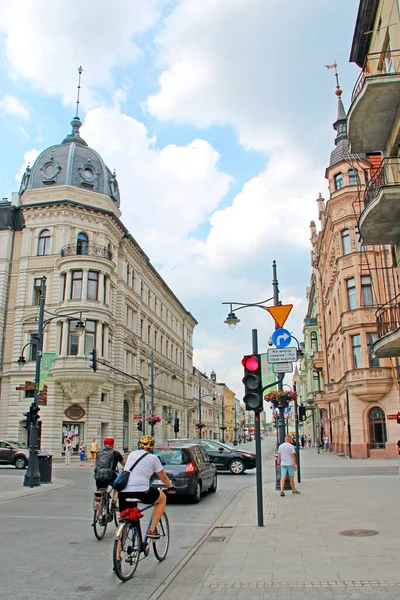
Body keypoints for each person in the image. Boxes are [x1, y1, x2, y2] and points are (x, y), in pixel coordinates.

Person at [118, 434, 175, 538]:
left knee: (125, 517)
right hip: (142, 492)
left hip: (123, 492)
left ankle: (118, 550)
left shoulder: (131, 454)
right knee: (162, 499)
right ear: (152, 446)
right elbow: (163, 477)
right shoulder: (153, 458)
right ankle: (152, 529)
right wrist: (170, 487)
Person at [94, 438, 125, 514]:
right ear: (113, 444)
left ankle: (99, 515)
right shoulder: (116, 453)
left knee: (100, 493)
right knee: (118, 485)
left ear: (104, 444)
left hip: (99, 476)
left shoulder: (99, 453)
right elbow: (125, 465)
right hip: (110, 476)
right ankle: (114, 500)